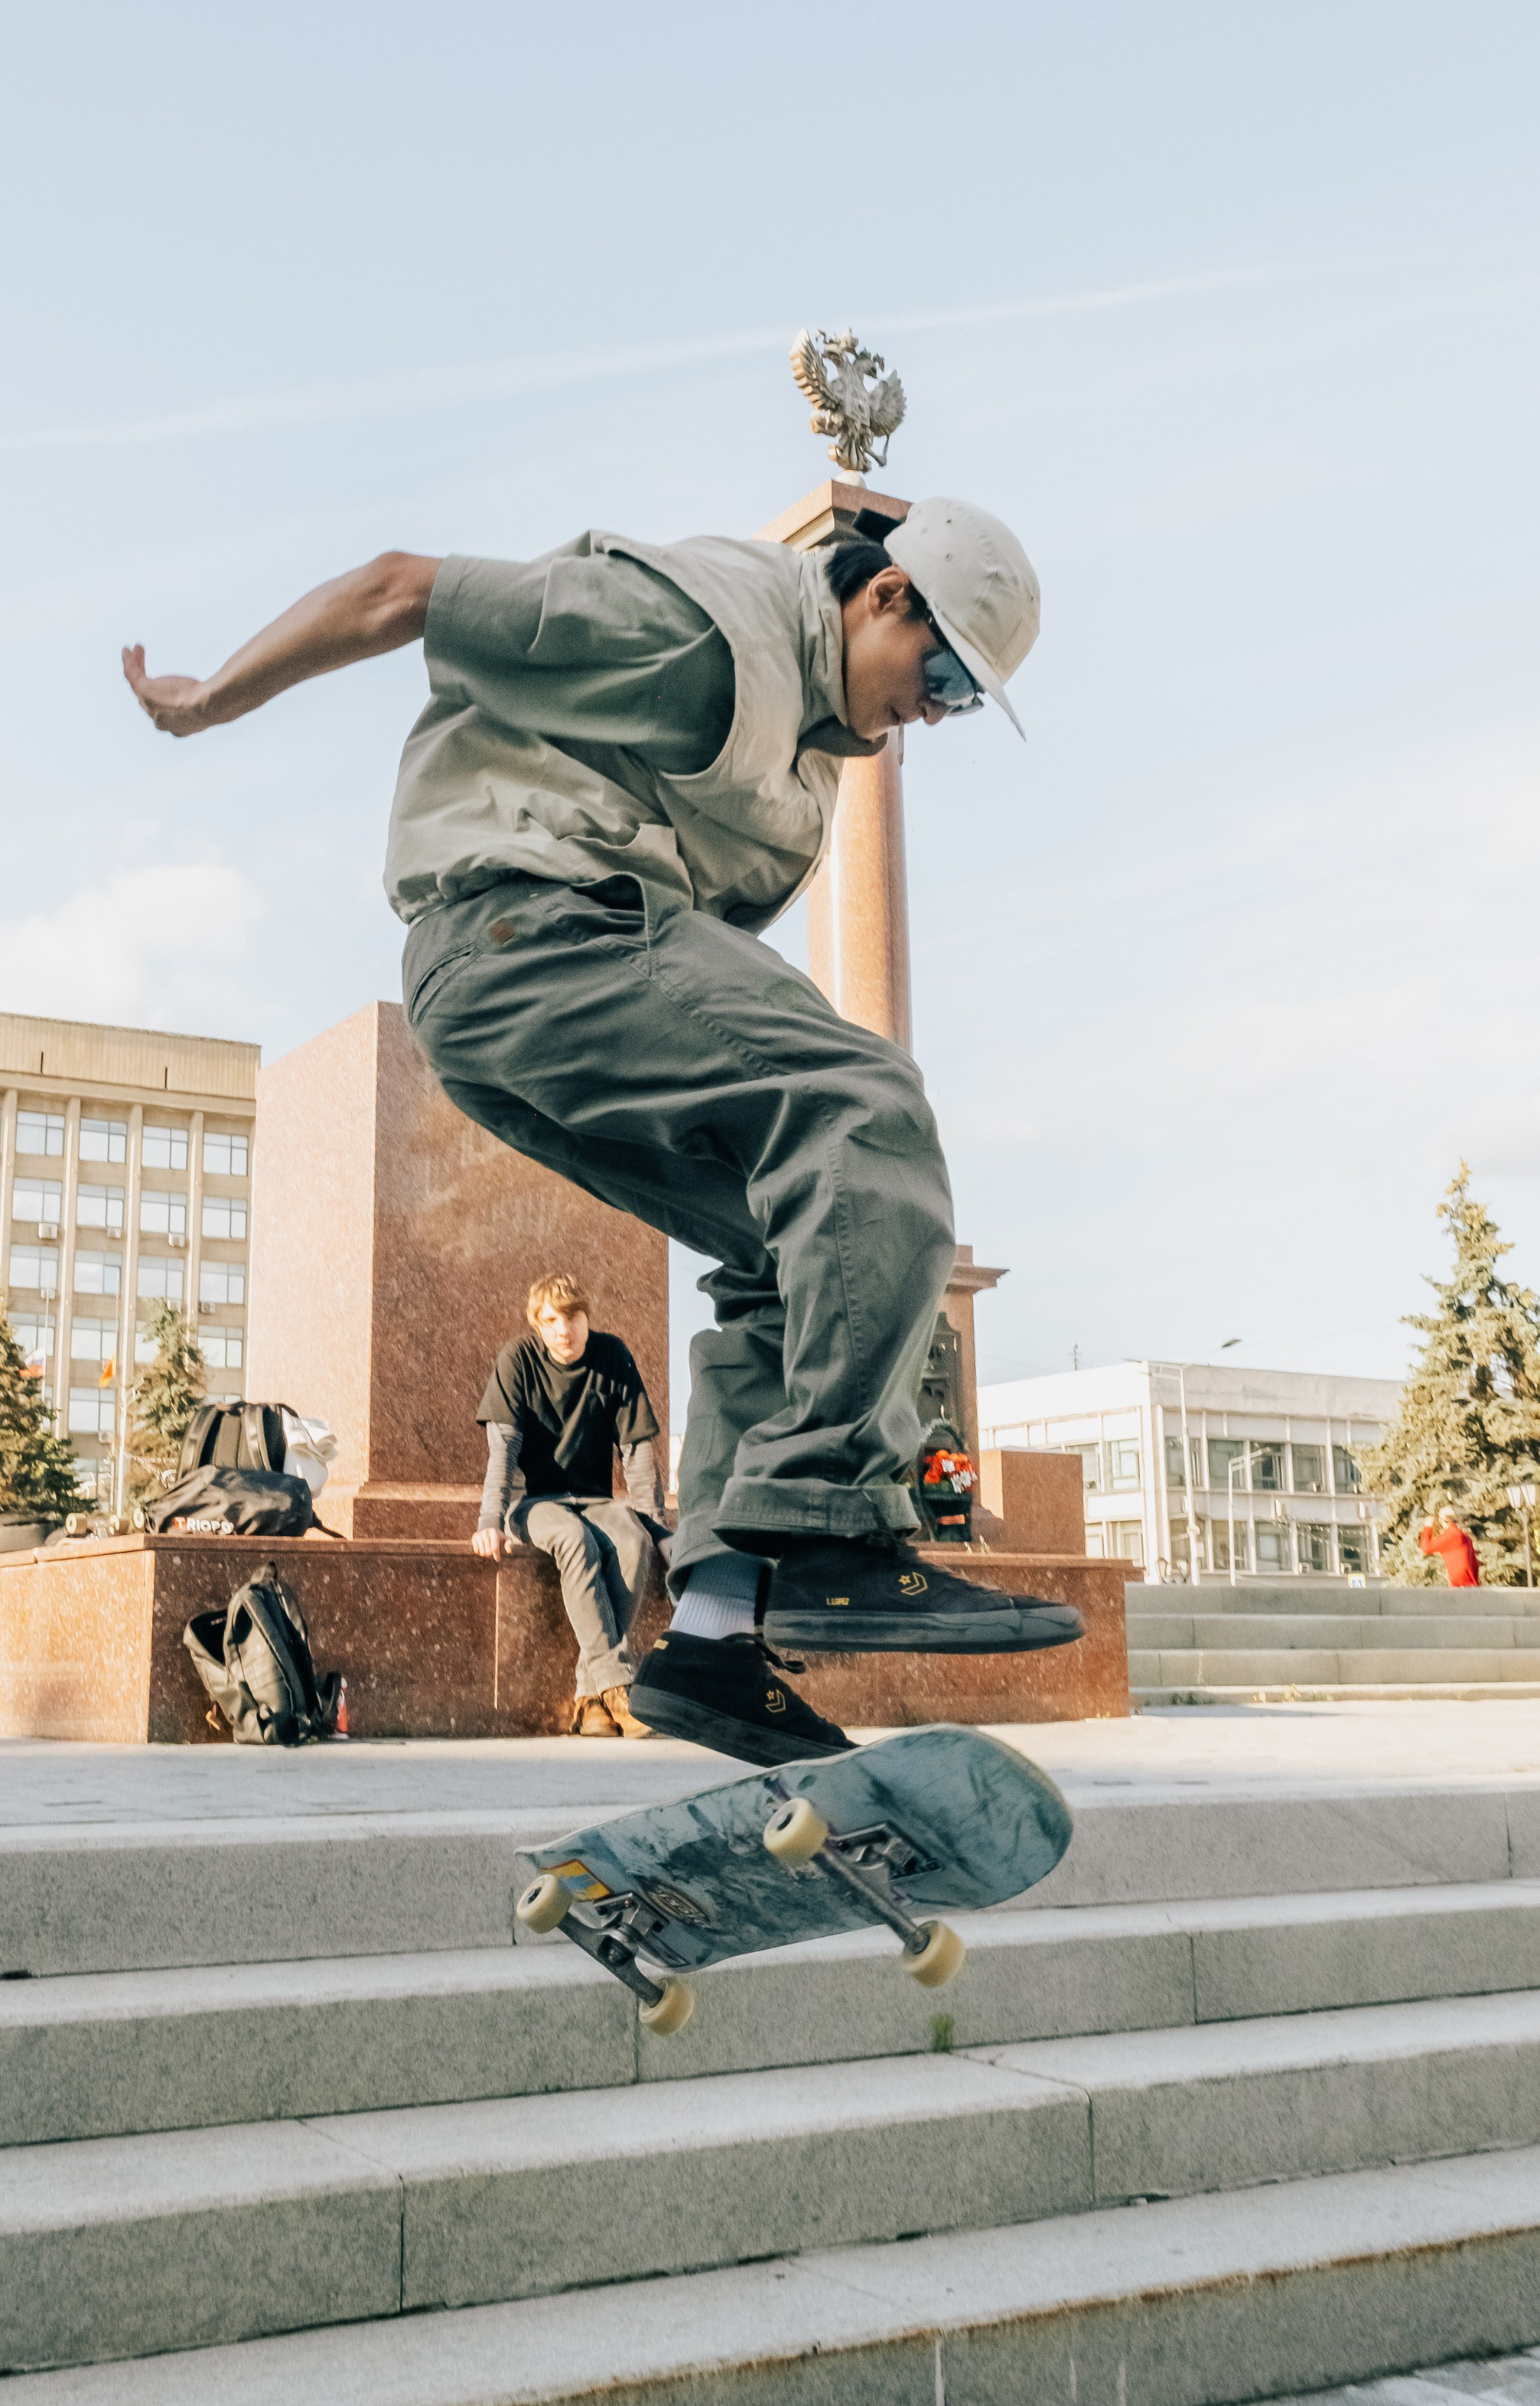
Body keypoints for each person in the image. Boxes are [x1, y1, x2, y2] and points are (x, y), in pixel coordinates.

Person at [125, 498, 1083, 1767]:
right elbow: (399, 587)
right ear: (885, 595)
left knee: (793, 1246)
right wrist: (208, 701)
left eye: (961, 703)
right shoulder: (698, 628)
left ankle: (717, 1635)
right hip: (528, 934)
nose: (935, 713)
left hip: (560, 991)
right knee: (868, 1108)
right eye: (942, 675)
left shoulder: (807, 747)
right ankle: (834, 1528)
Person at [474, 1270, 666, 1737]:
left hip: (596, 1500)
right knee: (574, 1539)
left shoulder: (612, 1355)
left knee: (633, 1542)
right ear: (537, 1324)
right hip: (532, 1504)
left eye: (573, 1316)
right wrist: (490, 1520)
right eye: (551, 1320)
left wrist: (658, 1528)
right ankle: (619, 1686)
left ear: (587, 1316)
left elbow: (637, 1450)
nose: (564, 1329)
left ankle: (590, 1699)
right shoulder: (518, 1360)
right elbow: (504, 1450)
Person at [1419, 1506, 1480, 1588]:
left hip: (1461, 1586)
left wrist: (1427, 1526)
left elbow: (1426, 1548)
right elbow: (1475, 1564)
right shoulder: (1464, 1537)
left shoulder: (1451, 1536)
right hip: (1470, 1586)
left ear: (1442, 1520)